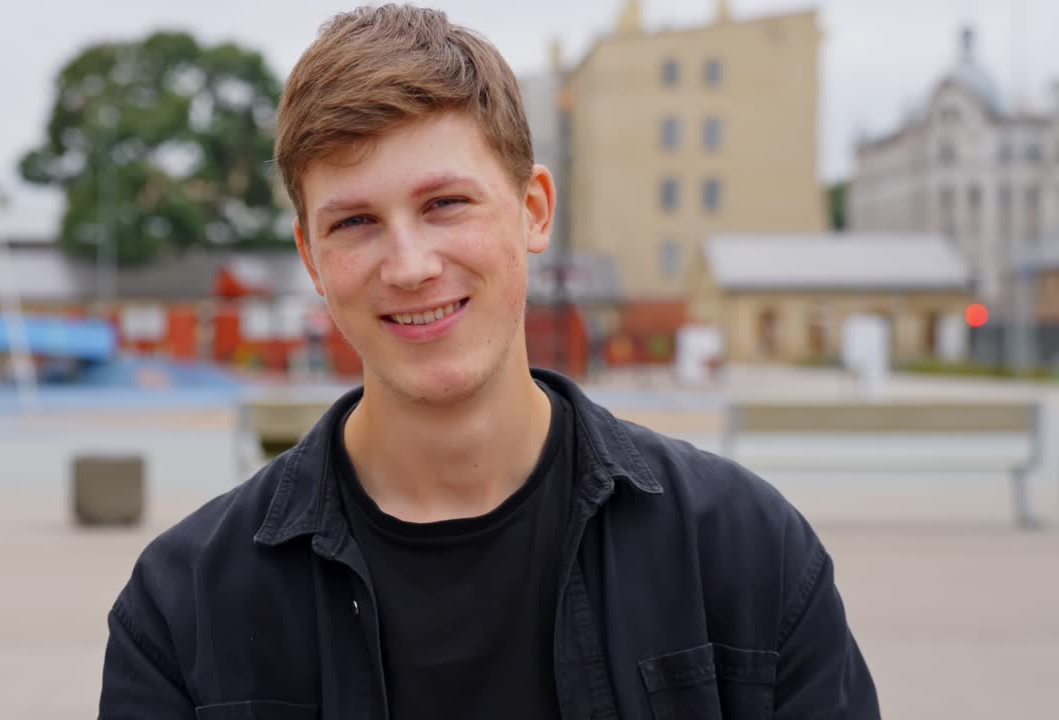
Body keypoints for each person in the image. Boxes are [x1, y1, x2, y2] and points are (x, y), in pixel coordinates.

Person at [98, 5, 880, 719]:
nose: (410, 266)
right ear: (311, 256)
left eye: (445, 204)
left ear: (534, 210)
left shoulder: (744, 553)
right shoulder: (182, 610)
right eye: (356, 222)